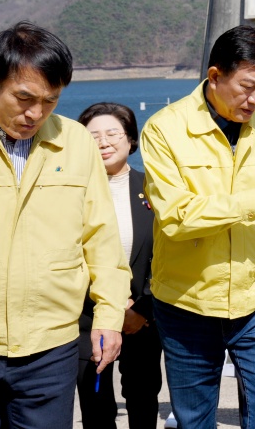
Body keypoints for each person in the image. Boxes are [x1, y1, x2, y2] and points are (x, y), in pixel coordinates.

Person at [140, 25, 255, 429]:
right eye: (248, 86)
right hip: (187, 302)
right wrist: (254, 198)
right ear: (215, 76)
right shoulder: (165, 129)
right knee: (194, 420)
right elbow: (176, 217)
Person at [0, 22, 130, 428]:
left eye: (50, 101)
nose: (36, 114)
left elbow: (101, 236)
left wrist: (108, 315)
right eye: (24, 98)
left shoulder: (77, 141)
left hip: (51, 349)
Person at [75, 103, 162, 429]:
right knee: (96, 408)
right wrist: (109, 306)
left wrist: (140, 307)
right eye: (93, 135)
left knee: (142, 401)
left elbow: (168, 253)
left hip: (142, 316)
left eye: (113, 133)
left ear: (130, 140)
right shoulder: (72, 192)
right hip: (88, 317)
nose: (103, 142)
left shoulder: (153, 188)